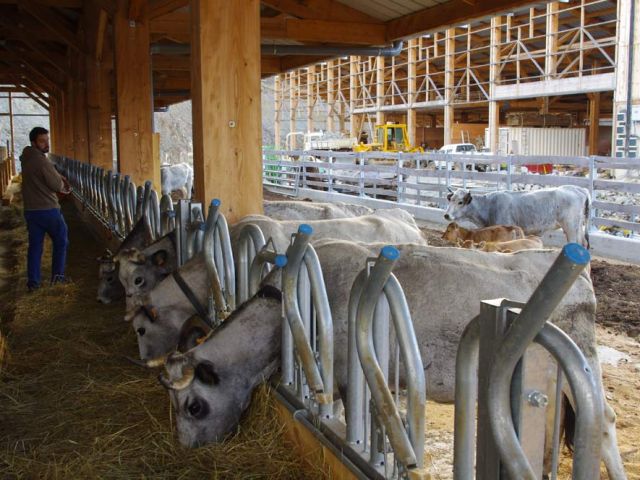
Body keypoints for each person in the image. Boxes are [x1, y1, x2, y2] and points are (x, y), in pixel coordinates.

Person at [19, 127, 71, 291]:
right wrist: (61, 180)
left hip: (31, 210)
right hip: (48, 209)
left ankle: (33, 283)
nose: (46, 143)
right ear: (34, 142)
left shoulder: (26, 158)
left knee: (35, 246)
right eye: (42, 141)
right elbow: (56, 185)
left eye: (47, 140)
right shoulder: (41, 161)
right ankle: (58, 278)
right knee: (61, 241)